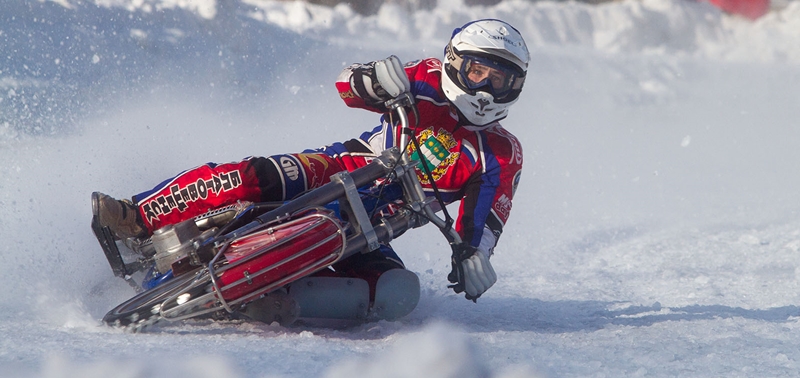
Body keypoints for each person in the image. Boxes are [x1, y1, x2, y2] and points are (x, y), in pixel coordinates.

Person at [93, 18, 529, 326]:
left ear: (516, 87)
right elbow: (348, 84)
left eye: (500, 79)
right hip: (336, 170)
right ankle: (137, 214)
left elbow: (484, 219)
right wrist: (376, 79)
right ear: (456, 63)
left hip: (378, 225)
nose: (486, 88)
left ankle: (277, 298)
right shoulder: (427, 78)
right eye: (477, 71)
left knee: (397, 292)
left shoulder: (502, 153)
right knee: (254, 176)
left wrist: (474, 254)